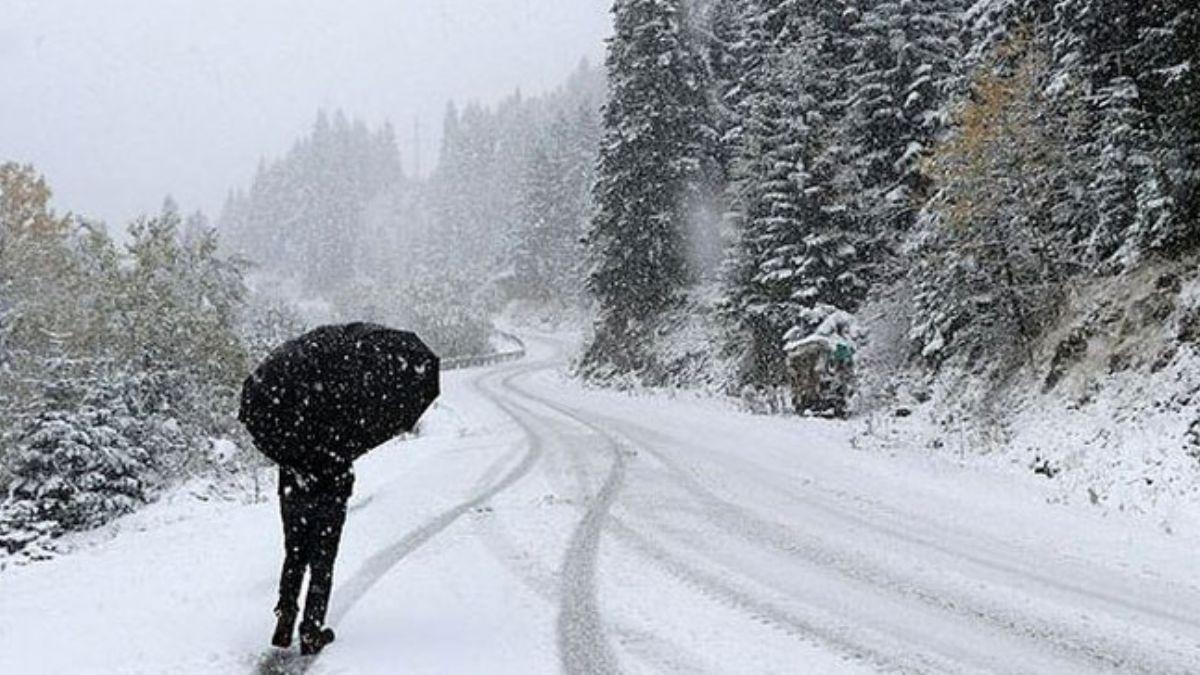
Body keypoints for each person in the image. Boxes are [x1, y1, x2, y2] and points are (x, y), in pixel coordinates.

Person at [271, 459, 355, 656]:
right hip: (331, 490)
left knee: (295, 555)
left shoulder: (286, 431)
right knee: (322, 565)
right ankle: (311, 628)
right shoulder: (342, 430)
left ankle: (286, 611)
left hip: (293, 488)